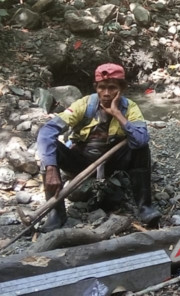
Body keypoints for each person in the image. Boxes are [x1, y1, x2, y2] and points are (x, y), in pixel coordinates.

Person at [36, 63, 160, 232]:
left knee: (140, 149)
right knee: (50, 150)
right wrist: (51, 167)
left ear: (121, 89)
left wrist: (117, 113)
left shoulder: (130, 108)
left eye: (112, 88)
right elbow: (46, 132)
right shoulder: (85, 105)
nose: (106, 93)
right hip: (81, 162)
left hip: (112, 162)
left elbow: (141, 140)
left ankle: (145, 207)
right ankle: (56, 214)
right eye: (102, 87)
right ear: (96, 88)